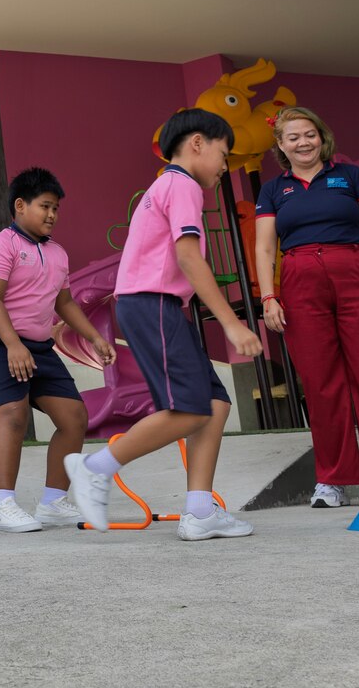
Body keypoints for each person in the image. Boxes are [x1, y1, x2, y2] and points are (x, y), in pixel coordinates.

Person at [67, 109, 262, 540]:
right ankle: (92, 468)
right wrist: (231, 324)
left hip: (156, 306)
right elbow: (189, 258)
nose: (224, 168)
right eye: (223, 155)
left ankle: (199, 511)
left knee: (214, 405)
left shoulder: (166, 186)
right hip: (153, 304)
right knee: (189, 409)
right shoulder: (183, 186)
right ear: (197, 143)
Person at [253, 106, 359, 508]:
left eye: (309, 134)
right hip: (299, 279)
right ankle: (333, 480)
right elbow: (264, 246)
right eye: (292, 137)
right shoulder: (273, 190)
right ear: (280, 145)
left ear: (322, 137)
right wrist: (268, 295)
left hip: (356, 271)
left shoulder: (351, 176)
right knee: (320, 381)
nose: (303, 142)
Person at [0, 167, 115, 533]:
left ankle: (52, 502)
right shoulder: (0, 245)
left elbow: (64, 304)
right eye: (45, 206)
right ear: (20, 206)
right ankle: (2, 506)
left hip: (39, 346)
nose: (52, 215)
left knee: (74, 418)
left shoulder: (58, 253)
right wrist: (12, 345)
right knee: (13, 417)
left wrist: (95, 338)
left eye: (56, 209)